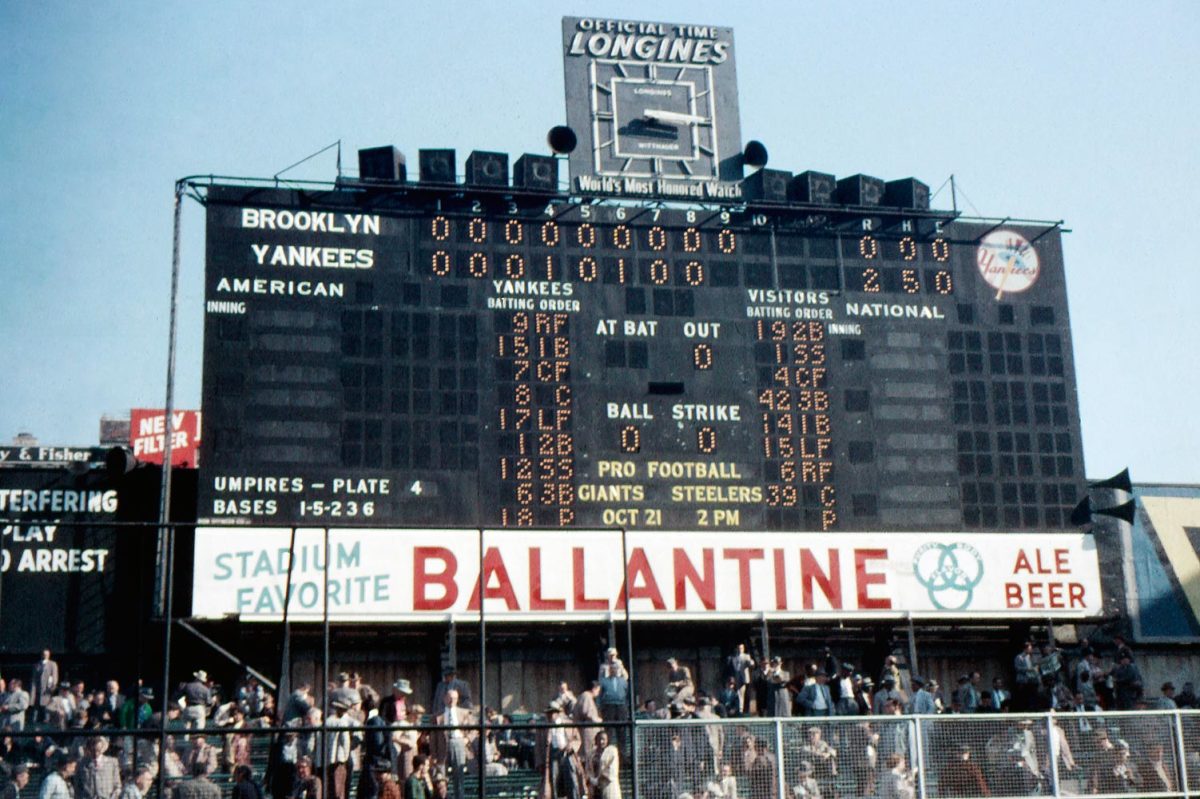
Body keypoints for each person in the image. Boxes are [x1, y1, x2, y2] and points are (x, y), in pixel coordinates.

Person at [438, 690, 469, 799]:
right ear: (445, 698)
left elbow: (474, 730)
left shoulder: (464, 713)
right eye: (450, 698)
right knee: (441, 775)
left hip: (458, 742)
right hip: (443, 743)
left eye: (455, 698)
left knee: (458, 776)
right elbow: (433, 736)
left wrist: (466, 739)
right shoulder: (438, 715)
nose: (452, 701)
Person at [587, 732, 620, 799]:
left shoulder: (612, 751)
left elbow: (612, 770)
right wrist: (591, 779)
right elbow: (588, 769)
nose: (601, 742)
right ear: (595, 740)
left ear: (607, 740)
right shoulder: (591, 753)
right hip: (595, 790)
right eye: (599, 739)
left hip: (608, 787)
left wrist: (598, 780)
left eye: (603, 739)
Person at [31, 651, 60, 724]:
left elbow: (54, 677)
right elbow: (34, 679)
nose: (45, 656)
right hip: (37, 691)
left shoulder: (52, 664)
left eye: (47, 655)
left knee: (47, 711)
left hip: (47, 692)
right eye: (44, 654)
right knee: (35, 712)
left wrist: (51, 689)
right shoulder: (37, 664)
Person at [725, 645, 755, 714]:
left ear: (743, 649)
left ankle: (743, 710)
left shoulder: (746, 656)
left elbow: (750, 664)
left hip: (744, 678)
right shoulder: (733, 657)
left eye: (741, 648)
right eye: (738, 648)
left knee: (744, 694)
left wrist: (751, 663)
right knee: (736, 694)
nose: (740, 650)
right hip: (735, 678)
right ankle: (737, 708)